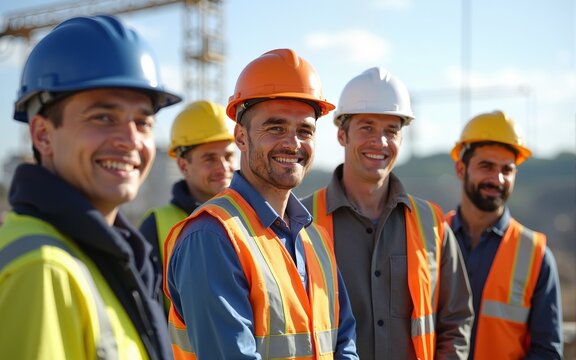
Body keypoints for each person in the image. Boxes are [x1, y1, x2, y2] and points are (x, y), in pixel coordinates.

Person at [0, 15, 181, 359]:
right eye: (103, 117)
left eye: (143, 122)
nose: (131, 140)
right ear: (42, 134)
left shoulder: (105, 254)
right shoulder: (44, 270)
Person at [163, 48, 359, 359]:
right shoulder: (212, 237)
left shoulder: (315, 238)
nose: (292, 143)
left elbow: (344, 343)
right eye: (276, 127)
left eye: (305, 130)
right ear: (240, 137)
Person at [302, 67, 474, 360]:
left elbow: (456, 320)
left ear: (401, 139)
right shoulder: (302, 221)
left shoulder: (432, 225)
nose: (380, 142)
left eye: (391, 131)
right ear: (342, 134)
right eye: (367, 127)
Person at [446, 110, 564, 359]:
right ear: (460, 168)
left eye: (507, 170)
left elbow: (547, 352)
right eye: (486, 166)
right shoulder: (428, 239)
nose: (497, 178)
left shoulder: (535, 255)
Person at [139, 100, 236, 310]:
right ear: (184, 165)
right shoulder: (157, 226)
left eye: (228, 156)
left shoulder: (253, 219)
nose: (223, 167)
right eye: (209, 159)